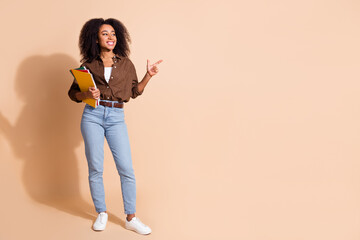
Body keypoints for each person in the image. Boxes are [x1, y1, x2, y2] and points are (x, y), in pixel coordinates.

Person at [68, 18, 162, 234]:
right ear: (95, 38)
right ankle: (102, 212)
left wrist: (148, 75)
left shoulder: (126, 64)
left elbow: (134, 92)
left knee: (126, 169)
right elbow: (73, 94)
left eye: (113, 33)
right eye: (104, 34)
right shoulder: (88, 65)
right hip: (92, 114)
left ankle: (131, 218)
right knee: (95, 167)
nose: (110, 37)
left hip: (116, 116)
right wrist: (87, 94)